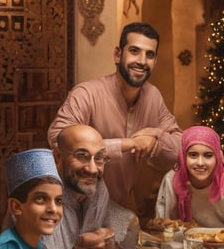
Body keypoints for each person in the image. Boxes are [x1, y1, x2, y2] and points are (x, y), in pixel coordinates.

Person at [48, 22, 183, 209]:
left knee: (138, 235)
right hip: (69, 208)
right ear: (118, 54)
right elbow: (57, 140)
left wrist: (156, 137)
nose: (142, 61)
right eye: (135, 51)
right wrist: (128, 144)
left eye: (149, 55)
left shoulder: (153, 97)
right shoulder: (87, 93)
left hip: (114, 210)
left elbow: (181, 149)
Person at [42, 124, 140, 249]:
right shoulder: (42, 201)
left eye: (100, 158)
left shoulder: (97, 187)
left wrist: (108, 238)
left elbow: (122, 220)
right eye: (82, 156)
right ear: (57, 156)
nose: (93, 169)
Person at [155, 125, 224, 226]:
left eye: (208, 155)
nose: (200, 163)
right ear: (183, 156)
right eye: (193, 155)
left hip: (223, 240)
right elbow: (161, 223)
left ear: (217, 157)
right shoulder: (171, 180)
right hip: (181, 240)